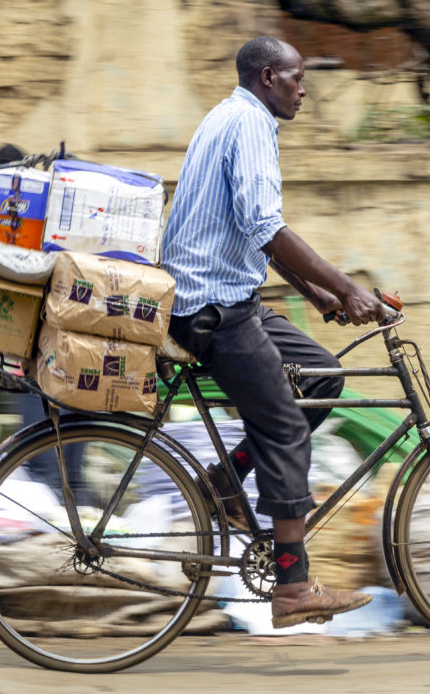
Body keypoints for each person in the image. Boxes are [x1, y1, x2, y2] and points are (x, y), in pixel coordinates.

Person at [161, 36, 383, 629]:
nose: (303, 88)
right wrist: (350, 287)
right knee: (284, 428)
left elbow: (251, 229)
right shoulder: (250, 125)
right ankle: (292, 585)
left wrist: (319, 292)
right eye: (296, 77)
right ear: (267, 77)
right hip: (214, 307)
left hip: (231, 296)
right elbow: (265, 223)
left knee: (322, 376)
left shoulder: (231, 115)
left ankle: (224, 481)